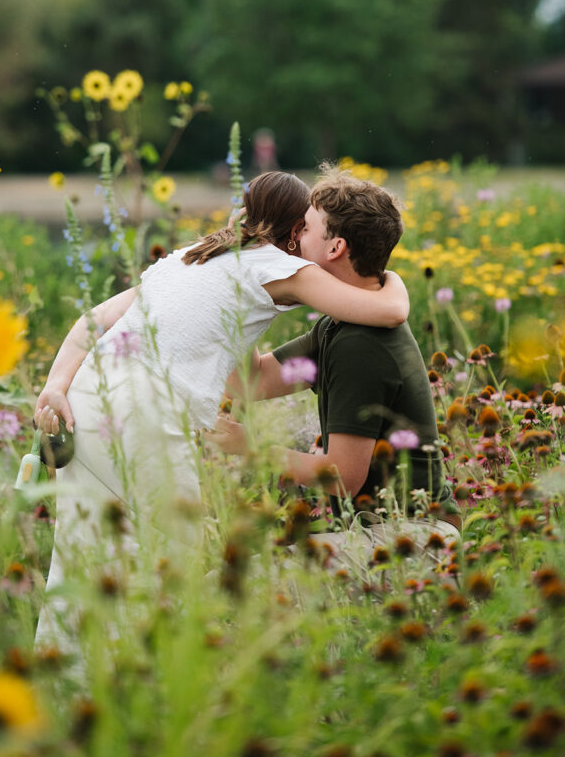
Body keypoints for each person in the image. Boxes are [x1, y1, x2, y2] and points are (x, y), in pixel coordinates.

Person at [33, 171, 409, 647]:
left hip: (88, 399)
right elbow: (390, 312)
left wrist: (54, 386)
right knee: (170, 565)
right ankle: (145, 694)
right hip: (147, 414)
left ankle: (61, 686)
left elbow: (95, 320)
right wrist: (392, 277)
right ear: (295, 231)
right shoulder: (283, 266)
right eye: (308, 225)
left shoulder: (190, 258)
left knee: (81, 556)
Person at [209, 166, 461, 576]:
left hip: (416, 537)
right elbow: (251, 382)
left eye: (304, 228)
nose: (292, 237)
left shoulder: (359, 344)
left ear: (335, 248)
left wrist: (249, 447)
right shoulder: (338, 326)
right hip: (383, 531)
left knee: (231, 587)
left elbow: (342, 478)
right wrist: (241, 286)